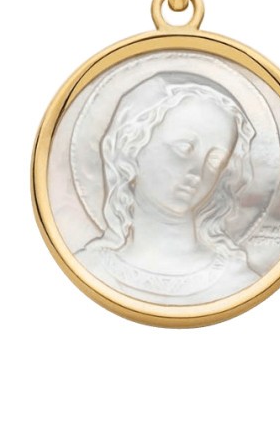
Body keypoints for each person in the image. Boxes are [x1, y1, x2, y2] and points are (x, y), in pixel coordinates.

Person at [75, 71, 260, 304]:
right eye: (184, 148)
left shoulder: (238, 283)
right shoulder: (87, 270)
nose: (197, 172)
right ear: (132, 146)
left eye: (215, 161)